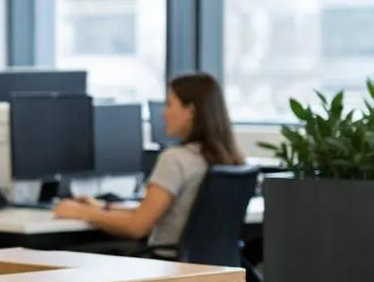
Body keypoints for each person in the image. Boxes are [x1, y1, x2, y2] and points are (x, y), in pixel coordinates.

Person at [53, 72, 244, 247]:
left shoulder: (175, 159)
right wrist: (104, 207)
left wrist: (81, 212)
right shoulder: (230, 159)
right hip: (209, 272)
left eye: (170, 104)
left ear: (191, 110)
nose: (163, 112)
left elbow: (137, 227)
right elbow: (156, 212)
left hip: (167, 267)